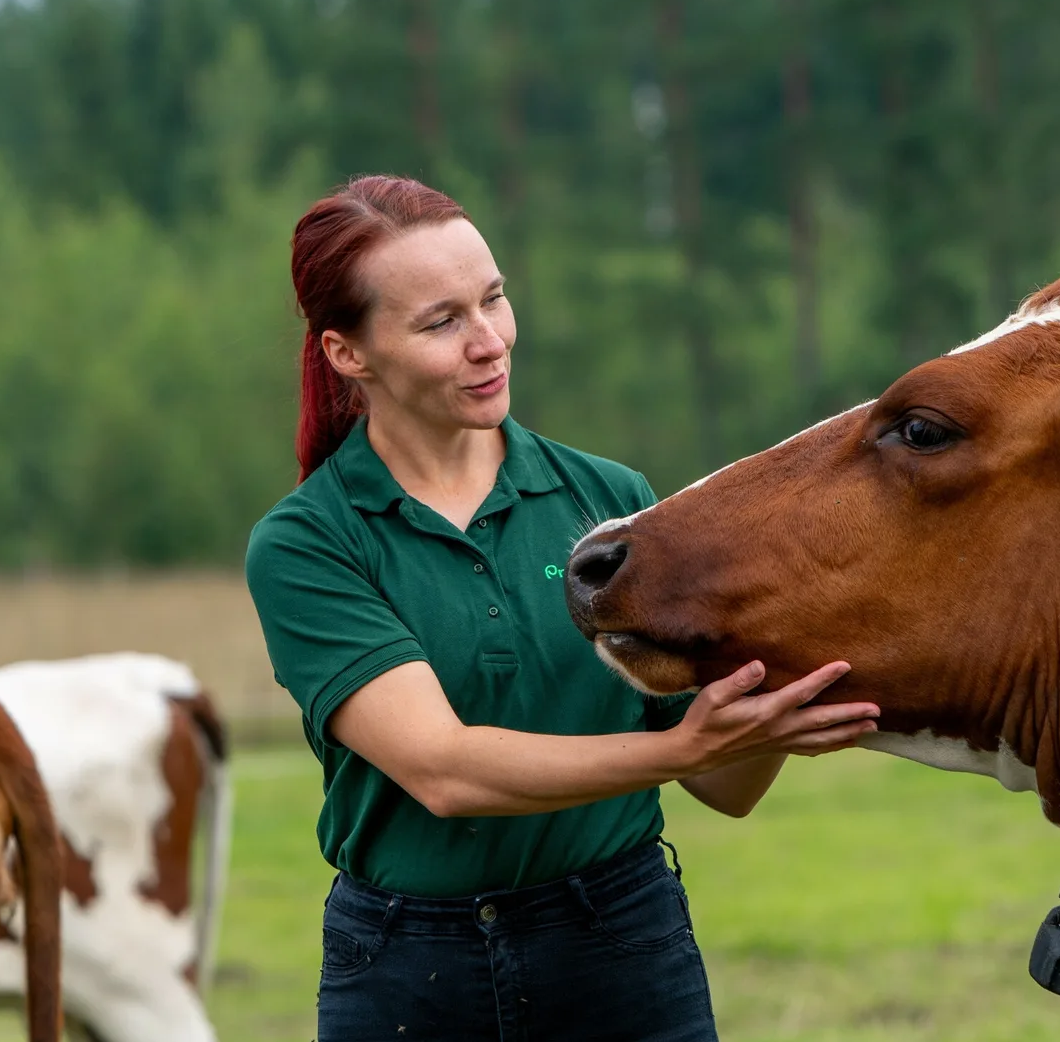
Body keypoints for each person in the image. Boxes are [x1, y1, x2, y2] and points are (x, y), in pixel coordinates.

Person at [244, 174, 879, 1042]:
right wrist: (683, 747)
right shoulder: (309, 544)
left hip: (621, 943)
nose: (489, 341)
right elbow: (445, 772)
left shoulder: (609, 504)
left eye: (494, 299)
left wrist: (766, 707)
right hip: (407, 975)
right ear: (348, 353)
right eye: (442, 322)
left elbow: (721, 786)